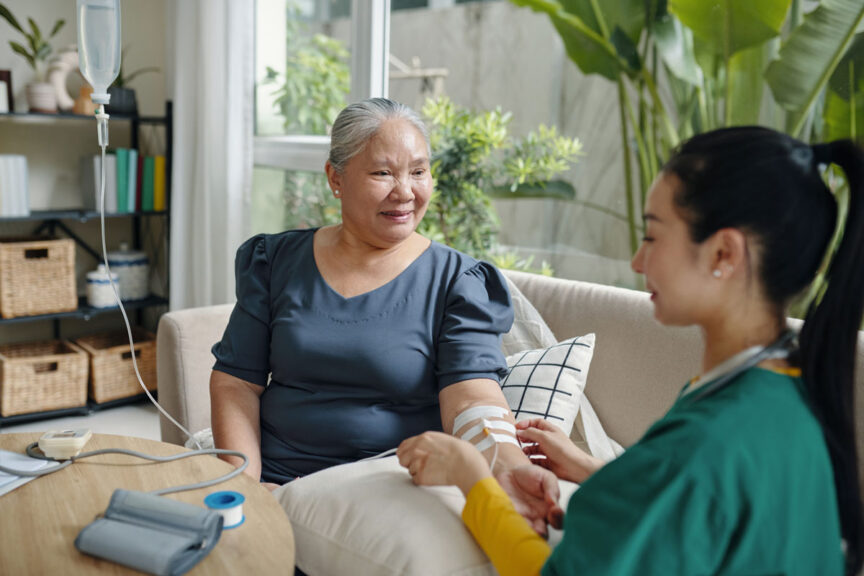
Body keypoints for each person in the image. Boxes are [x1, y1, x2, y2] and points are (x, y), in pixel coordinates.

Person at [398, 126, 864, 575]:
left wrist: (471, 474)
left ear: (724, 253)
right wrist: (594, 471)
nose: (637, 262)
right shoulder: (787, 392)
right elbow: (702, 519)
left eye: (653, 236)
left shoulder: (701, 444)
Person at [209, 98, 555, 532]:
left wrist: (506, 464)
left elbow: (472, 397)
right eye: (383, 173)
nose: (406, 191)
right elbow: (237, 382)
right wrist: (248, 486)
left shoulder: (457, 280)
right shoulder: (275, 261)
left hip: (388, 489)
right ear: (335, 178)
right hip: (273, 478)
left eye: (419, 171)